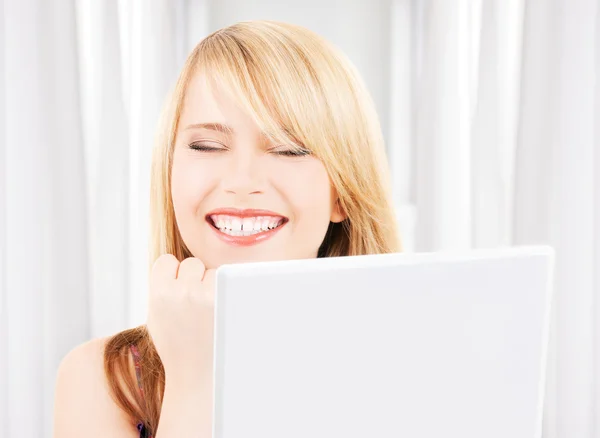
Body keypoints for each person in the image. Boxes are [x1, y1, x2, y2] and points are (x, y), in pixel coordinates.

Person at [52, 19, 401, 438]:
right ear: (171, 174)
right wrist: (193, 379)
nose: (241, 180)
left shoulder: (410, 368)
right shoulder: (104, 381)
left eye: (288, 148)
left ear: (342, 192)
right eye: (207, 146)